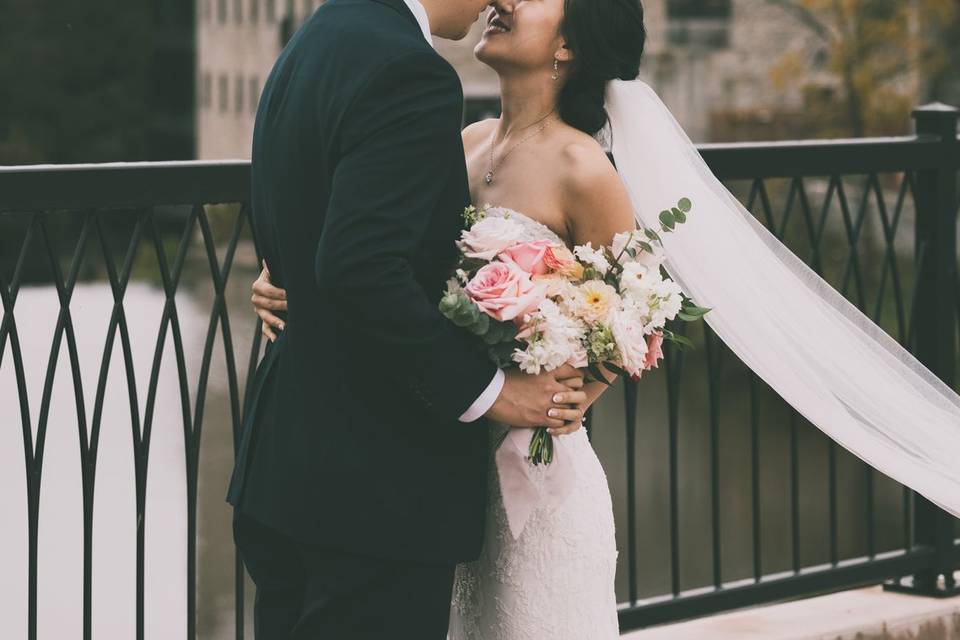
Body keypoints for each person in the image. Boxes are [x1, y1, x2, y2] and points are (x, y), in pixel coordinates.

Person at [253, 0, 960, 636]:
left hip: (526, 461)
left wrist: (574, 388)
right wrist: (285, 279)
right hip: (444, 449)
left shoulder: (584, 168)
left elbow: (639, 310)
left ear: (569, 46)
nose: (502, 1)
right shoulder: (463, 139)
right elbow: (381, 247)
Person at [226, 1, 590, 638]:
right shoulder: (410, 72)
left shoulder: (317, 35)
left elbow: (323, 223)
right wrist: (494, 392)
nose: (495, 4)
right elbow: (361, 268)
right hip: (373, 487)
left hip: (287, 466)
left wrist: (289, 279)